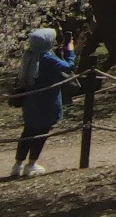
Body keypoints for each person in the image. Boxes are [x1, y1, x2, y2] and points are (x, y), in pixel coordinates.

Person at [12, 28, 74, 178]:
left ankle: (17, 165)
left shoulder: (29, 55)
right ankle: (31, 165)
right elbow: (68, 67)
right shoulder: (47, 58)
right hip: (47, 101)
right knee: (41, 133)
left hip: (30, 101)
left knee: (28, 131)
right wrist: (70, 51)